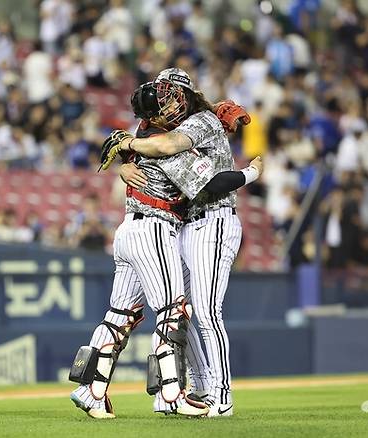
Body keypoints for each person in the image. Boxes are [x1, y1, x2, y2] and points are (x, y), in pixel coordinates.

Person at [102, 68, 258, 417]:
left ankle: (221, 395)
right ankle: (198, 388)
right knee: (182, 311)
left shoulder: (202, 119)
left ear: (186, 93)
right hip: (186, 223)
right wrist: (122, 165)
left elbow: (173, 151)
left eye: (173, 95)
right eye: (164, 96)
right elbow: (149, 149)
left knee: (204, 310)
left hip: (213, 218)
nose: (168, 103)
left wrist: (124, 144)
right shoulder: (161, 124)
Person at [69, 79, 212, 420]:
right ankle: (171, 394)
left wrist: (122, 159)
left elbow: (118, 146)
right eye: (164, 104)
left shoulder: (137, 135)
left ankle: (91, 390)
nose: (171, 106)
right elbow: (203, 182)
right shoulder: (163, 142)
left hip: (128, 231)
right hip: (154, 227)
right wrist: (247, 174)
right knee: (173, 311)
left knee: (120, 316)